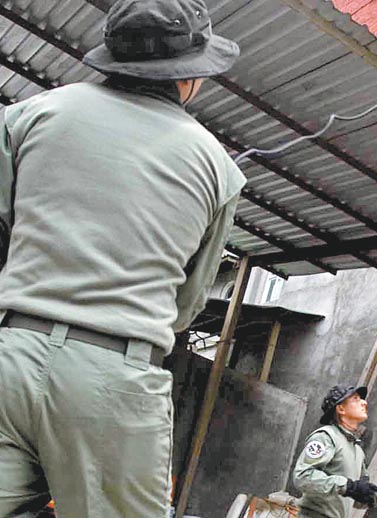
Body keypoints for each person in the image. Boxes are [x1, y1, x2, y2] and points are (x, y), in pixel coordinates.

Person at [0, 0, 244, 516]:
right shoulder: (218, 168)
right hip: (114, 379)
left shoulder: (31, 114)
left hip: (9, 354)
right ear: (190, 76)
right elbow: (187, 303)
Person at [293, 385, 377, 518]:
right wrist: (347, 486)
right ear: (340, 408)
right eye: (356, 399)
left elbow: (359, 500)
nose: (364, 402)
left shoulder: (357, 450)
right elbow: (302, 477)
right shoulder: (326, 437)